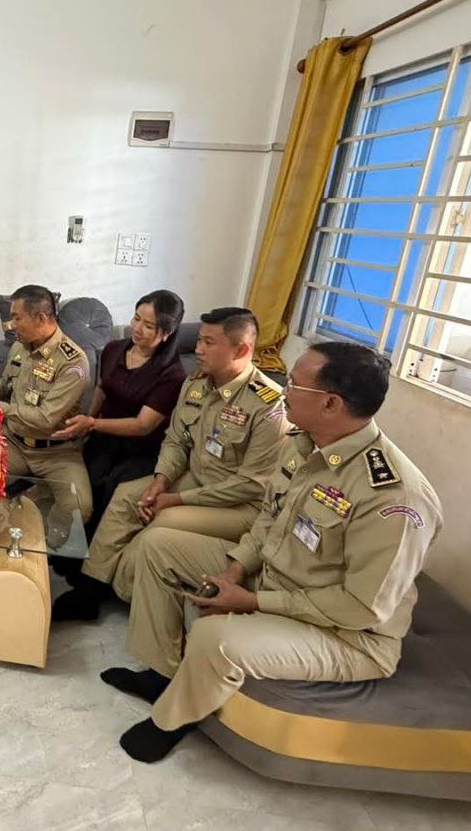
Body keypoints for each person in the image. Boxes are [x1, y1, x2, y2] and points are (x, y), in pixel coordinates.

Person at [99, 341, 442, 763]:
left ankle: (170, 721)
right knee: (158, 545)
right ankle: (161, 673)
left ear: (331, 404)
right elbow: (269, 519)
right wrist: (234, 569)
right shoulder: (303, 445)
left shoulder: (394, 498)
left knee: (214, 637)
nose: (283, 391)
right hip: (277, 579)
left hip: (346, 635)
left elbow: (360, 608)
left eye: (294, 384)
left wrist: (252, 601)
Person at [53, 307, 286, 621]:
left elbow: (249, 485)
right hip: (195, 479)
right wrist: (160, 481)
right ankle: (91, 587)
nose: (198, 349)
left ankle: (124, 588)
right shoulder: (196, 383)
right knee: (126, 496)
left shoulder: (269, 406)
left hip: (238, 505)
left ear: (241, 350)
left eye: (208, 343)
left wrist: (176, 499)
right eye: (198, 340)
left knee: (160, 523)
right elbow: (176, 440)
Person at [51, 290, 187, 525]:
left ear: (167, 333)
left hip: (141, 450)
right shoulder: (114, 349)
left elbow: (143, 425)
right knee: (85, 485)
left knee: (112, 490)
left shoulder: (172, 375)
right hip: (103, 439)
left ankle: (95, 545)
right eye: (136, 318)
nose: (137, 328)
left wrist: (92, 423)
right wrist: (87, 421)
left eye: (148, 326)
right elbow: (102, 388)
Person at [0, 284, 93, 524]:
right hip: (14, 441)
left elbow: (45, 418)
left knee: (79, 508)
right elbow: (6, 387)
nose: (11, 325)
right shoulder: (19, 347)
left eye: (17, 318)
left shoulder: (73, 362)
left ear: (41, 318)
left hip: (56, 452)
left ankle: (45, 539)